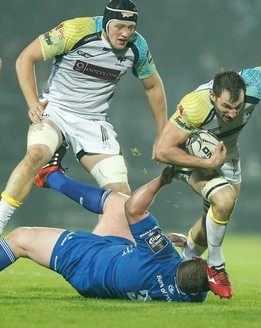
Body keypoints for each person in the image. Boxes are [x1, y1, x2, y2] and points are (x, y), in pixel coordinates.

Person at [154, 61, 261, 298]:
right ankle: (216, 266)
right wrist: (207, 164)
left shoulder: (254, 84)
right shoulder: (195, 105)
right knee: (224, 200)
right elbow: (161, 151)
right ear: (213, 95)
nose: (233, 113)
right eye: (226, 106)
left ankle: (186, 256)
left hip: (229, 155)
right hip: (189, 158)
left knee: (214, 219)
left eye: (237, 106)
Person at [0, 0, 167, 236]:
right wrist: (32, 102)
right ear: (107, 22)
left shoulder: (137, 46)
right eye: (119, 26)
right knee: (36, 154)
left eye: (130, 28)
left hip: (93, 122)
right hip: (55, 110)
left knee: (120, 196)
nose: (125, 33)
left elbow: (153, 86)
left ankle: (98, 250)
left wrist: (163, 132)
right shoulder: (75, 30)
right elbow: (25, 59)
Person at [0, 157, 209, 302]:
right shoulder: (193, 295)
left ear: (194, 260)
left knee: (20, 238)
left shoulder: (162, 256)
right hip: (114, 259)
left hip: (86, 262)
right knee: (117, 201)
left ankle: (52, 177)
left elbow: (134, 210)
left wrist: (164, 179)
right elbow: (192, 278)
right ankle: (51, 175)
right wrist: (187, 249)